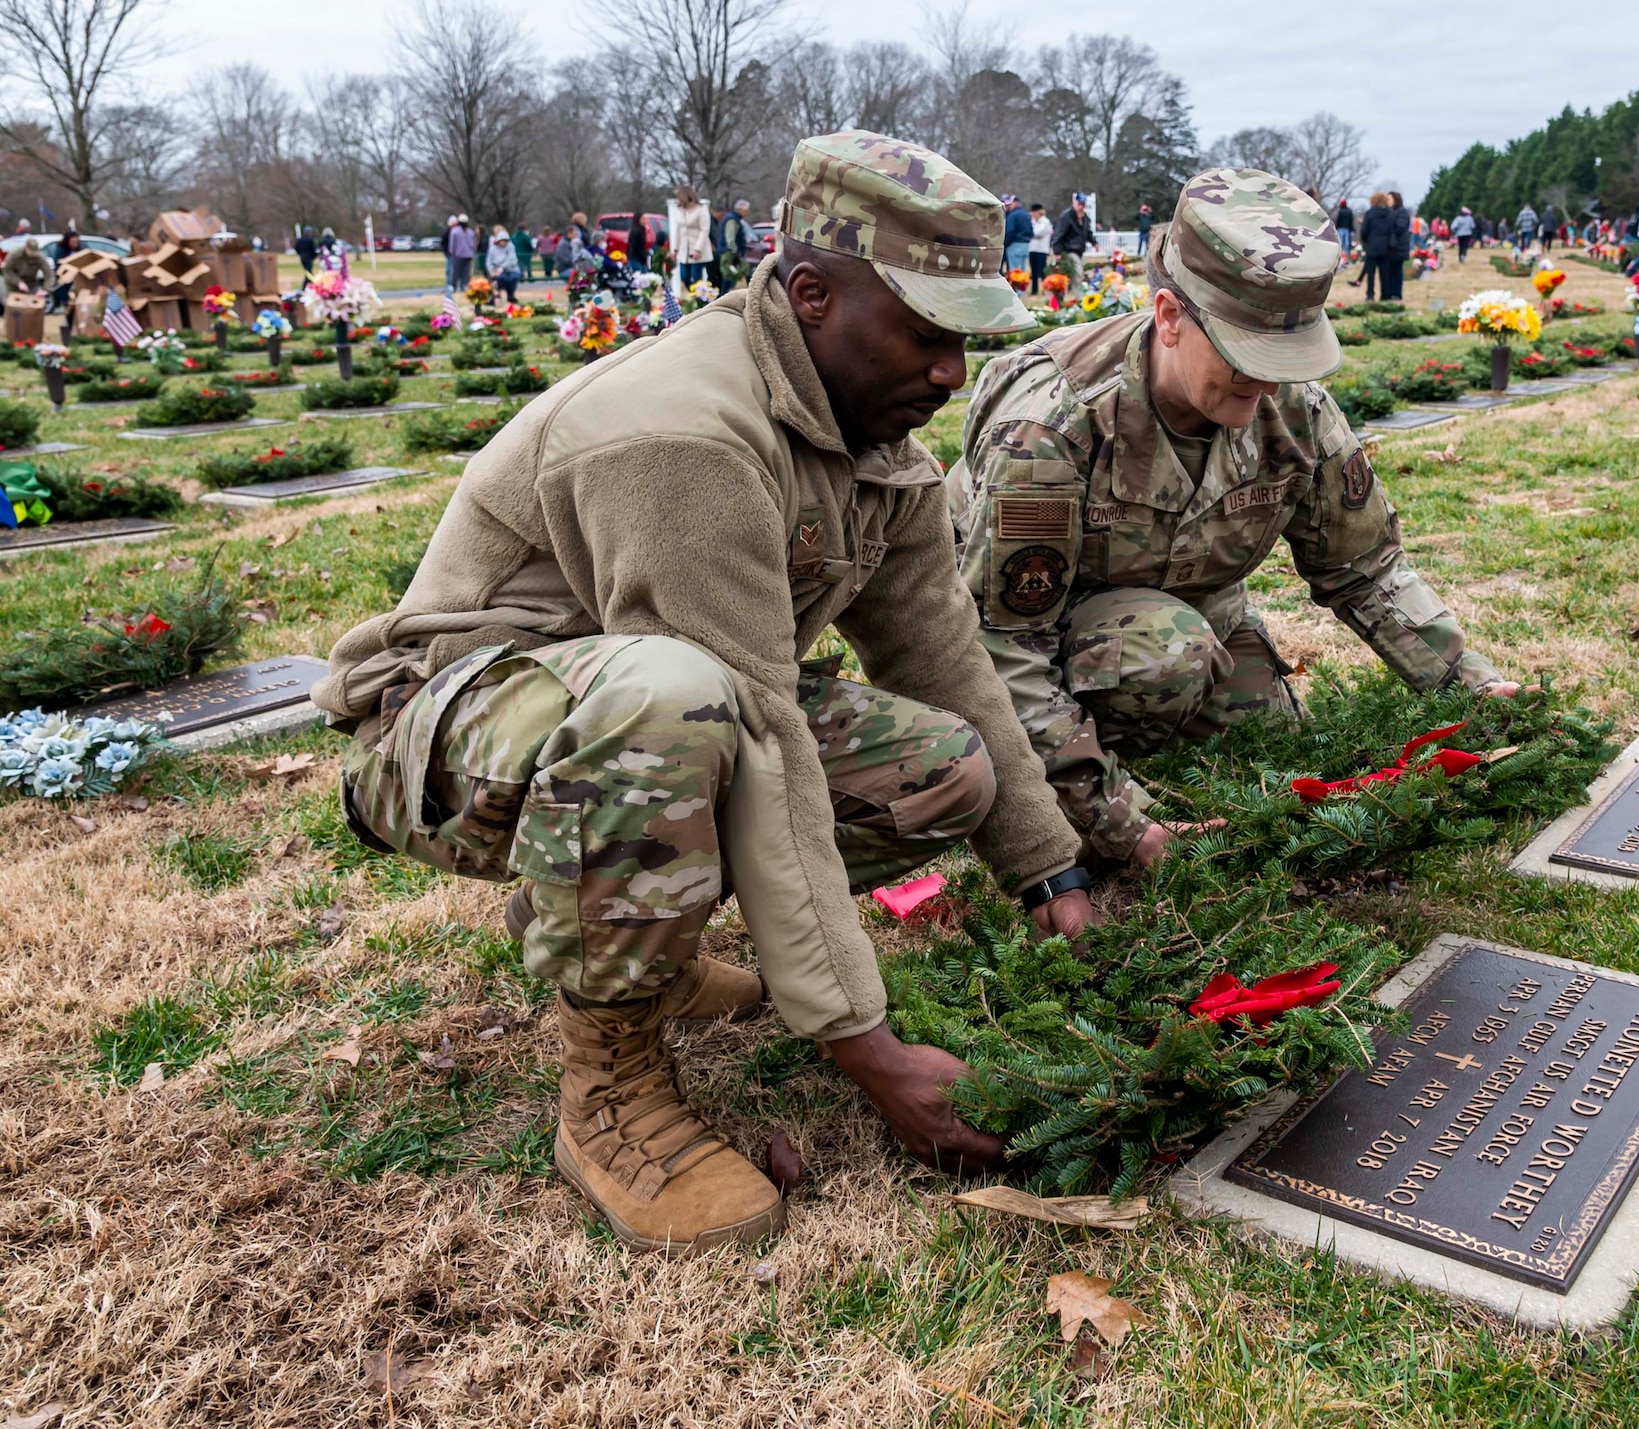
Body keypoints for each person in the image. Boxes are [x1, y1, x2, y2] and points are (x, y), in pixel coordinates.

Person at [314, 129, 1096, 1252]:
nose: (949, 374)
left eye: (964, 343)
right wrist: (861, 1045)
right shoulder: (684, 434)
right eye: (926, 335)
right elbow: (751, 726)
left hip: (638, 717)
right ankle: (609, 1089)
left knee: (940, 767)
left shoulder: (876, 441)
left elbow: (941, 657)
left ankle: (651, 946)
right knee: (675, 697)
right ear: (814, 294)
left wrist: (1046, 867)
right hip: (445, 741)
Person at [947, 168, 1515, 870]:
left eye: (1288, 355)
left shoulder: (1294, 410)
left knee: (1273, 746)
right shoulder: (1053, 428)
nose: (1269, 380)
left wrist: (1476, 688)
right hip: (1036, 629)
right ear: (1169, 317)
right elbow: (1003, 645)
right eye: (1248, 355)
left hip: (1197, 616)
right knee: (1165, 653)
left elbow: (1365, 566)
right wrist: (1117, 819)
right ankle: (1083, 762)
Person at [668, 185, 712, 294]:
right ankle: (694, 297)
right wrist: (675, 249)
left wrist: (698, 249)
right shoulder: (680, 211)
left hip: (697, 250)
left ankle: (700, 301)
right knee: (684, 277)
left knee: (696, 278)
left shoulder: (701, 210)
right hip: (684, 250)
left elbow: (704, 230)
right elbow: (678, 231)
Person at [1353, 190, 1392, 299]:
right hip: (1385, 245)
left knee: (1371, 272)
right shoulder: (1389, 213)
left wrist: (1366, 241)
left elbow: (1364, 230)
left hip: (1373, 245)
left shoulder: (1370, 213)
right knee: (1384, 272)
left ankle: (1370, 294)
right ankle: (1385, 295)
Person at [1051, 192, 1092, 287]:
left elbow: (1087, 232)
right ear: (1074, 202)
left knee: (1073, 273)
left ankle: (1071, 291)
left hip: (1079, 249)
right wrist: (1057, 251)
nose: (1081, 207)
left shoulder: (1084, 217)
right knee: (1078, 272)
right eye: (1079, 204)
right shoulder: (1066, 217)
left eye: (1083, 204)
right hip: (1069, 248)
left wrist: (1093, 241)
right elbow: (1058, 234)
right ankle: (1078, 296)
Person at [1383, 190, 1410, 300]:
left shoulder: (1401, 212)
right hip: (1391, 247)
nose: (1387, 201)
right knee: (1389, 271)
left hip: (1399, 247)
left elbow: (1399, 227)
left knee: (1396, 271)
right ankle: (1389, 292)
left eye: (1389, 199)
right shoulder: (1390, 212)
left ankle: (1396, 293)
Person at [485, 223, 521, 304]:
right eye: (502, 241)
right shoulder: (492, 249)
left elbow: (512, 260)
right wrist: (491, 271)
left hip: (511, 269)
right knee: (501, 279)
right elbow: (489, 262)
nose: (504, 243)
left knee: (513, 278)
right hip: (496, 270)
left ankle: (511, 295)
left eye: (506, 241)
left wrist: (502, 268)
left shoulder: (510, 247)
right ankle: (496, 297)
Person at [1001, 194, 1031, 280]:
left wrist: (1005, 243)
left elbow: (1010, 232)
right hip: (1026, 244)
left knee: (1014, 270)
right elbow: (1031, 231)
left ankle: (1016, 289)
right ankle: (1022, 289)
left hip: (1014, 244)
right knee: (1022, 269)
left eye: (1011, 203)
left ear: (1015, 203)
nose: (1009, 206)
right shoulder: (1026, 214)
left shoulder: (1013, 215)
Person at [1027, 202, 1053, 294]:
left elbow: (1039, 233)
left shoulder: (1045, 221)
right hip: (1032, 249)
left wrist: (1029, 232)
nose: (1032, 214)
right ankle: (1034, 290)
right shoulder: (1032, 221)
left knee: (1042, 271)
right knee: (1033, 272)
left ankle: (1045, 289)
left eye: (1034, 212)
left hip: (1041, 250)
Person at [446, 215, 477, 291]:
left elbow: (452, 244)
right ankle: (464, 287)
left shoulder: (455, 231)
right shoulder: (470, 232)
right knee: (466, 273)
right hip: (468, 255)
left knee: (456, 273)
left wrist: (452, 252)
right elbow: (473, 244)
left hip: (458, 255)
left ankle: (453, 287)